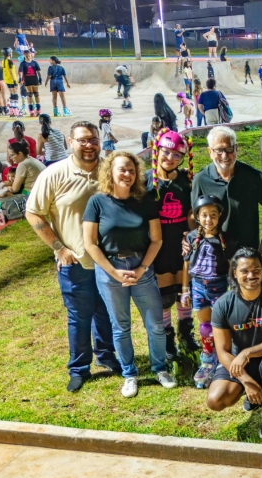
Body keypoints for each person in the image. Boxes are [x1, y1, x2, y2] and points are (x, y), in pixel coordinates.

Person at [26, 121, 122, 392]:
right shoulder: (54, 173)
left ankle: (106, 356)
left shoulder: (111, 171)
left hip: (110, 260)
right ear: (70, 142)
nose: (89, 145)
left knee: (107, 313)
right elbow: (33, 212)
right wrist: (59, 247)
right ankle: (79, 368)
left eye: (93, 139)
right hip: (76, 261)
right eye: (82, 140)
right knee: (79, 316)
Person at [82, 151, 177, 398]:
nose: (128, 174)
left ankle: (160, 369)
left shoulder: (144, 200)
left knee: (155, 324)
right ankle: (129, 375)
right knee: (120, 327)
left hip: (141, 267)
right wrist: (114, 272)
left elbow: (156, 239)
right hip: (109, 270)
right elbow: (90, 244)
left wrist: (141, 268)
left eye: (132, 170)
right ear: (110, 172)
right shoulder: (97, 202)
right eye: (122, 169)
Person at [206, 247, 262, 439]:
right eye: (244, 271)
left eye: (256, 269)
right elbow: (222, 351)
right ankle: (254, 391)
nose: (251, 275)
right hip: (238, 363)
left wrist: (247, 353)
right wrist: (246, 381)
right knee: (216, 400)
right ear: (235, 273)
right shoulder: (223, 304)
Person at [146, 129, 197, 367]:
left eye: (177, 155)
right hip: (158, 247)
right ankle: (169, 341)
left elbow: (191, 213)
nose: (170, 158)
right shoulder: (146, 180)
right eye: (166, 153)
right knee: (164, 297)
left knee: (184, 292)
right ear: (157, 151)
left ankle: (186, 334)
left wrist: (192, 233)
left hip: (182, 245)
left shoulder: (186, 180)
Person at [191, 127, 262, 257]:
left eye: (229, 149)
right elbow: (193, 215)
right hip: (214, 254)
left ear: (236, 148)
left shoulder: (253, 176)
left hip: (247, 254)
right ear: (210, 152)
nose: (225, 155)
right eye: (219, 150)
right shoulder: (200, 179)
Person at [180, 195, 227, 389]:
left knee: (221, 324)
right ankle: (208, 359)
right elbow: (186, 264)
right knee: (205, 325)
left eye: (213, 215)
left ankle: (223, 358)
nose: (209, 219)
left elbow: (231, 263)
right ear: (197, 216)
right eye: (205, 215)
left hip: (220, 286)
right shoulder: (192, 237)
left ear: (219, 216)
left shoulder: (224, 237)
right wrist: (185, 289)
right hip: (199, 286)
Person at [17, 50, 42, 117]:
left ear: (31, 55)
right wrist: (20, 78)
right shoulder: (23, 63)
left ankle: (38, 110)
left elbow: (38, 71)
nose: (28, 57)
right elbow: (21, 72)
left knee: (36, 94)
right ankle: (31, 111)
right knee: (29, 94)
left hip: (34, 80)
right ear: (25, 56)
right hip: (27, 80)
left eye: (29, 56)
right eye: (27, 56)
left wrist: (40, 78)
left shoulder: (34, 62)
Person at [2, 48, 21, 117]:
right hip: (12, 80)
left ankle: (11, 111)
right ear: (10, 54)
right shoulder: (10, 61)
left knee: (12, 95)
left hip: (7, 80)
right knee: (15, 95)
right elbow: (11, 72)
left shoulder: (3, 61)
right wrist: (15, 81)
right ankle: (16, 111)